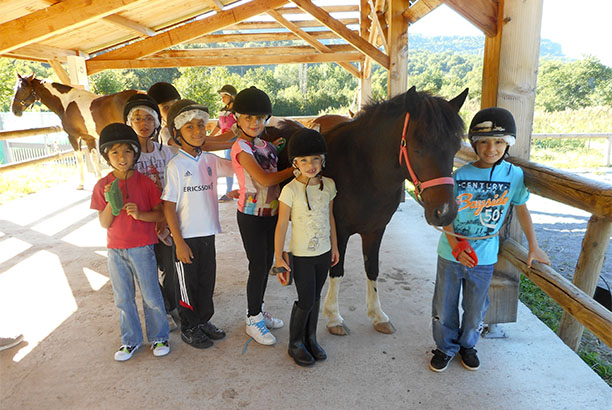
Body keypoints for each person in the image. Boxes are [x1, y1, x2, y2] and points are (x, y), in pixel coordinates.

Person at [430, 107, 551, 372]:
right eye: (483, 141)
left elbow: (521, 208)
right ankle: (444, 347)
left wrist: (534, 245)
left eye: (498, 142)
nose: (491, 148)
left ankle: (467, 345)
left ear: (508, 144)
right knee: (444, 305)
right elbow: (447, 213)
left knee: (475, 307)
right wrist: (456, 244)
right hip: (451, 252)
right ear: (474, 144)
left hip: (484, 256)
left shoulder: (514, 176)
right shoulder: (460, 176)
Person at [90, 123, 170, 361]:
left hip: (142, 248)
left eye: (126, 151)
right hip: (115, 251)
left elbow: (160, 214)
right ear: (106, 155)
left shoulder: (145, 183)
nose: (121, 157)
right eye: (114, 152)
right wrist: (112, 205)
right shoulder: (102, 186)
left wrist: (141, 215)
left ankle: (159, 336)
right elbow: (104, 223)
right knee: (123, 298)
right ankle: (130, 340)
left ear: (135, 153)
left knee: (151, 295)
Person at [162, 99, 234, 349]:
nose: (198, 131)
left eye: (201, 125)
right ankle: (189, 327)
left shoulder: (210, 161)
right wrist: (178, 242)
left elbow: (237, 167)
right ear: (177, 133)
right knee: (187, 285)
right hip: (186, 238)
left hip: (208, 233)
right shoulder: (176, 165)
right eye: (190, 127)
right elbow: (169, 206)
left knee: (206, 281)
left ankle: (204, 321)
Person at [231, 86, 294, 345]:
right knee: (257, 266)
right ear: (237, 118)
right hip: (252, 216)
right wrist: (296, 169)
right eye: (248, 118)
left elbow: (270, 158)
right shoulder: (241, 148)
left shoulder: (265, 145)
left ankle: (258, 309)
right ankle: (252, 319)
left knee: (266, 263)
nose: (255, 123)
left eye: (259, 118)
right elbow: (266, 179)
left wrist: (278, 149)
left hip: (273, 213)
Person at [274, 128, 339, 367]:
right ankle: (295, 343)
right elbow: (281, 225)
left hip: (323, 252)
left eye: (315, 159)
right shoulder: (289, 190)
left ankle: (310, 338)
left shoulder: (329, 185)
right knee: (305, 299)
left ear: (323, 160)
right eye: (304, 160)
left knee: (316, 296)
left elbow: (330, 217)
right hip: (301, 255)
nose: (310, 164)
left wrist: (335, 247)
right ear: (295, 162)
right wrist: (279, 256)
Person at [123, 94, 178, 332]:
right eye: (137, 118)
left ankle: (172, 307)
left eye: (148, 118)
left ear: (157, 122)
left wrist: (164, 218)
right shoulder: (125, 157)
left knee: (169, 265)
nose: (143, 123)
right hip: (140, 221)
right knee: (146, 270)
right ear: (129, 122)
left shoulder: (167, 154)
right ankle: (159, 311)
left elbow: (173, 187)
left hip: (165, 218)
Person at [209, 85, 238, 202]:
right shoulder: (223, 111)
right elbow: (218, 126)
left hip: (234, 141)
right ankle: (228, 192)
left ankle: (233, 192)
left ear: (231, 96)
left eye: (224, 96)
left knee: (232, 165)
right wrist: (209, 138)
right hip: (225, 141)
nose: (222, 99)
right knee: (228, 165)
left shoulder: (237, 112)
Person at [147, 82, 181, 148]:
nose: (172, 110)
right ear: (157, 114)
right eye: (166, 108)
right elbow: (186, 148)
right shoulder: (165, 133)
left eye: (175, 104)